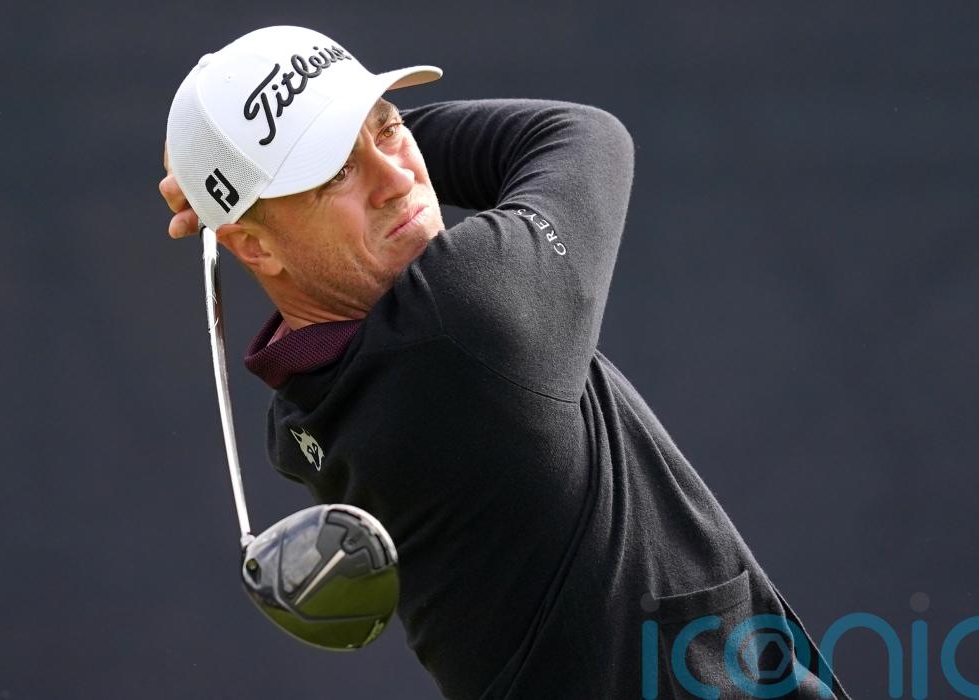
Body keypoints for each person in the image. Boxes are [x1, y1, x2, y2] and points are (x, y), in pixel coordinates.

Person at [159, 25, 852, 700]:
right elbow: (580, 137)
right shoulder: (462, 321)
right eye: (335, 173)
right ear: (255, 248)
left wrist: (240, 173)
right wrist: (254, 164)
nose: (398, 179)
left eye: (390, 128)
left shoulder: (303, 414)